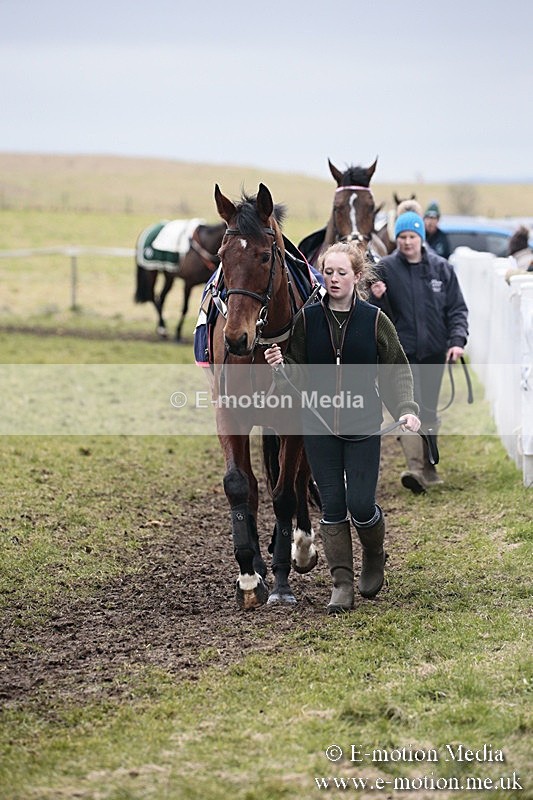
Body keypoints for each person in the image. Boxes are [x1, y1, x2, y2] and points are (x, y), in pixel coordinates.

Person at [264, 241, 421, 614]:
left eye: (341, 273)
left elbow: (396, 369)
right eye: (328, 272)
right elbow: (298, 376)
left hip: (363, 426)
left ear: (357, 276)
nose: (333, 279)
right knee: (332, 506)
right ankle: (341, 584)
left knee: (361, 504)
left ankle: (374, 553)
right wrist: (281, 368)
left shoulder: (374, 320)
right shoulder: (307, 320)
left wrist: (407, 409)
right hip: (318, 427)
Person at [370, 211, 469, 494]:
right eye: (402, 236)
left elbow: (457, 309)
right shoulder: (386, 268)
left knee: (429, 409)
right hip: (403, 353)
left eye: (412, 236)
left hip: (435, 352)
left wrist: (457, 341)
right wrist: (378, 296)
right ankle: (414, 469)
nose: (406, 242)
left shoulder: (441, 269)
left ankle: (429, 465)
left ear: (421, 238)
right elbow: (376, 315)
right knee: (409, 405)